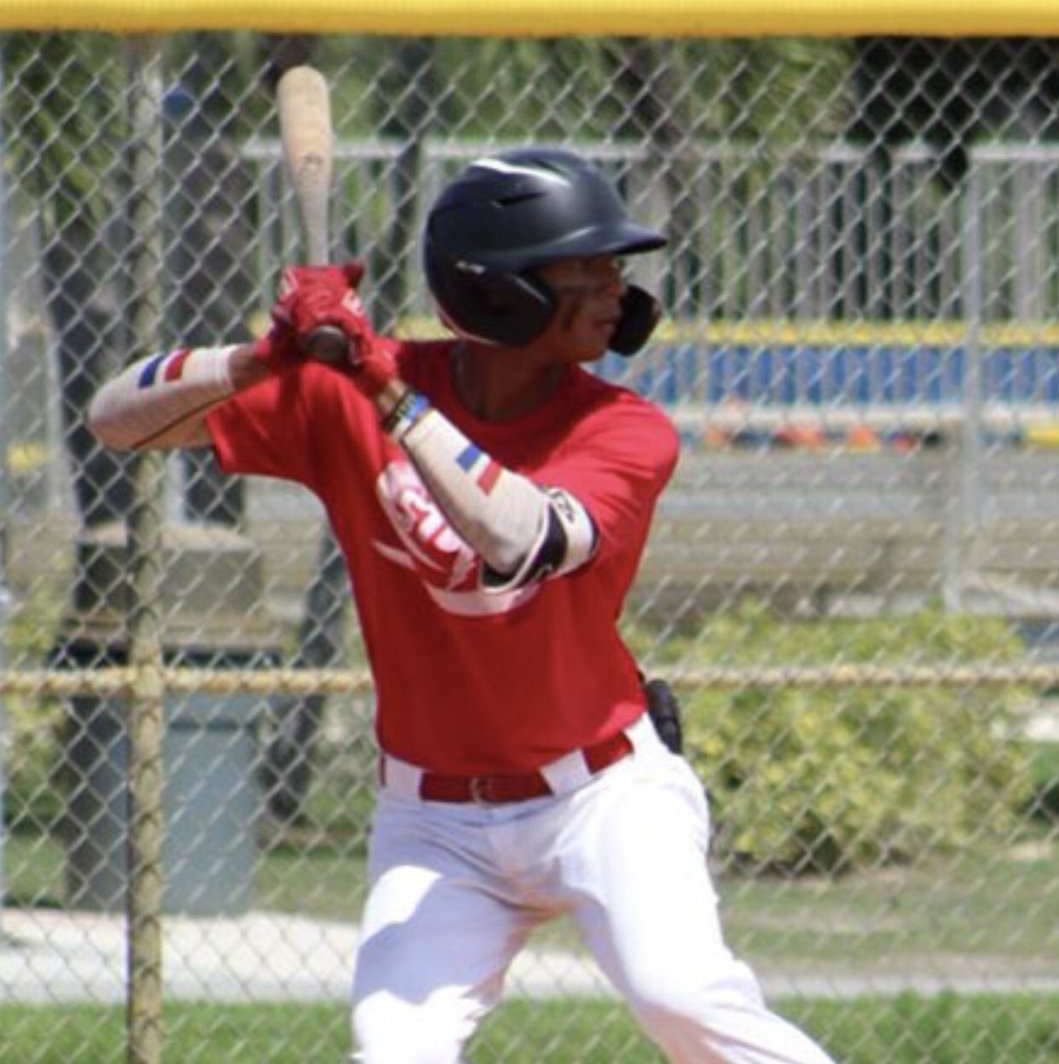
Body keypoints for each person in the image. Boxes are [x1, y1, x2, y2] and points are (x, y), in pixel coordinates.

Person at [88, 146, 837, 1064]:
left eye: (616, 267)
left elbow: (518, 538)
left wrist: (385, 390)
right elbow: (115, 417)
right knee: (393, 1048)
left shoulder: (620, 428)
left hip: (602, 791)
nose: (615, 288)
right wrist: (263, 355)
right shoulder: (350, 388)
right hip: (433, 818)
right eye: (585, 266)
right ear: (499, 293)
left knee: (682, 999)